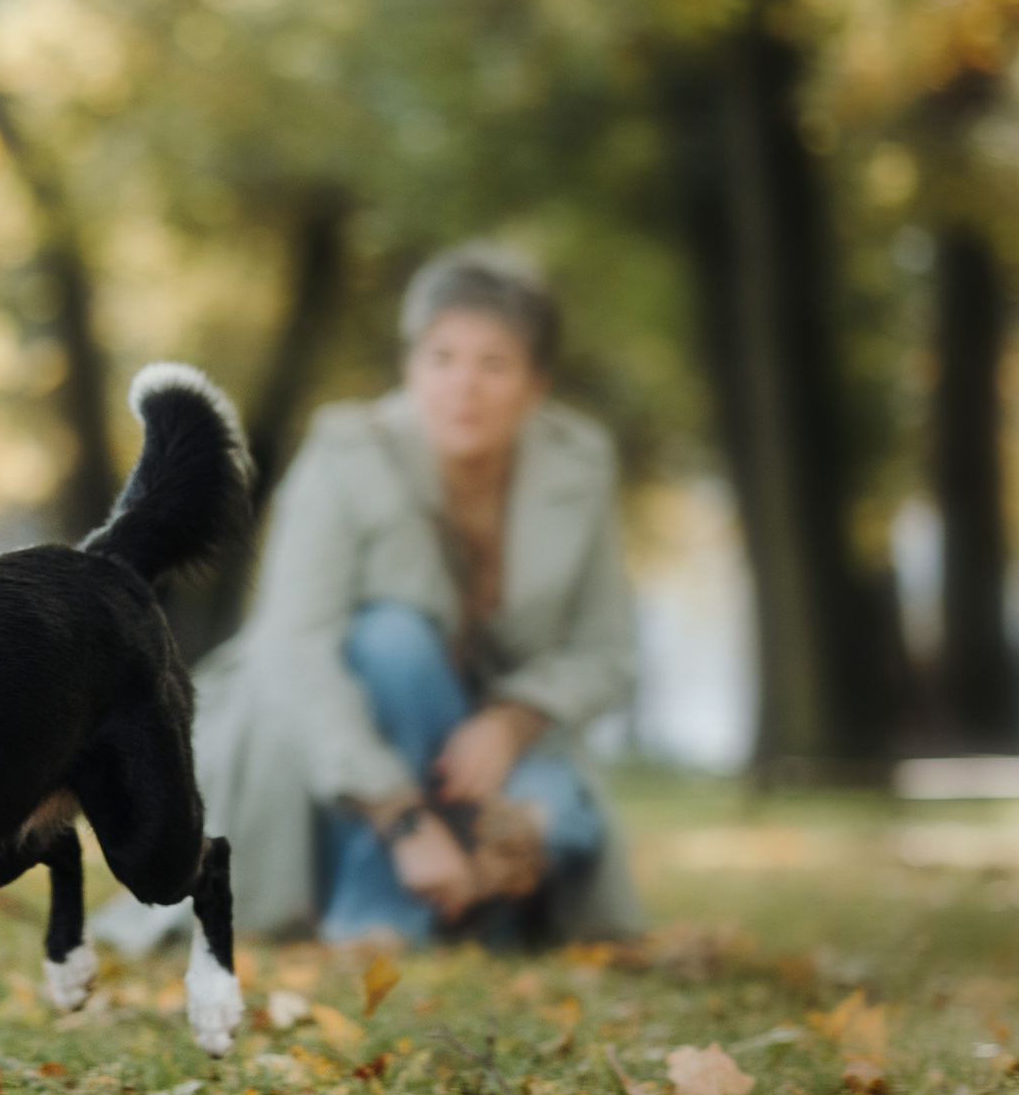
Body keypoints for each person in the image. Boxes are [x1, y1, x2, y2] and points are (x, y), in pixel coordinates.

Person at [102, 244, 642, 952]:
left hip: (486, 737)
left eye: (494, 364)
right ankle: (386, 908)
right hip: (341, 735)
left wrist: (516, 718)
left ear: (536, 384)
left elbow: (606, 649)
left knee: (557, 815)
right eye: (441, 357)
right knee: (393, 638)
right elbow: (294, 648)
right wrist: (400, 813)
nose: (463, 387)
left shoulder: (579, 462)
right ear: (411, 364)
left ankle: (480, 896)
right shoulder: (346, 455)